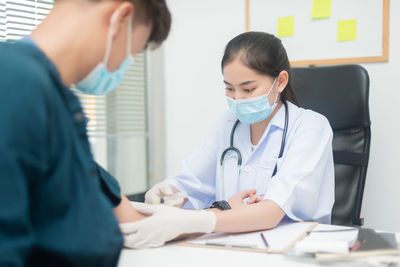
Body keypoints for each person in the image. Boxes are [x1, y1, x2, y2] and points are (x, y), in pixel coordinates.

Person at [121, 31, 335, 248]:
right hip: (231, 246)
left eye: (248, 89)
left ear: (280, 82)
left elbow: (272, 211)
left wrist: (200, 220)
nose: (237, 99)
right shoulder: (227, 124)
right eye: (229, 88)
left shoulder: (311, 127)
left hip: (295, 248)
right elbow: (193, 182)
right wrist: (168, 190)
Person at [0, 0, 170, 265]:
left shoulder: (49, 95)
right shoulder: (17, 84)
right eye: (132, 53)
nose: (124, 66)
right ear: (120, 18)